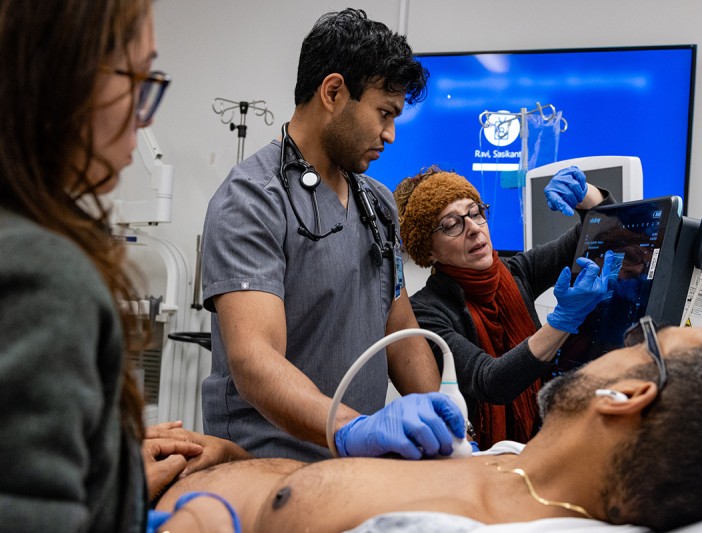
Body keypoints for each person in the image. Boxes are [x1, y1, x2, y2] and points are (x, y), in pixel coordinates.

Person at [153, 323, 702, 532]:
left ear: (628, 393)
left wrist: (201, 510)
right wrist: (226, 456)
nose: (621, 341)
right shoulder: (510, 460)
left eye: (643, 338)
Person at [0, 1, 238, 530]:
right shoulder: (42, 278)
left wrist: (107, 461)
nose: (146, 112)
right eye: (137, 77)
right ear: (63, 74)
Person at [200, 8, 451, 462]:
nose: (391, 135)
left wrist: (447, 421)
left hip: (354, 464)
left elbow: (400, 327)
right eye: (384, 113)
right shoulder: (252, 200)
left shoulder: (378, 203)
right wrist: (351, 429)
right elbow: (255, 360)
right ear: (333, 92)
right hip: (268, 466)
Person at [393, 166, 618, 449]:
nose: (474, 229)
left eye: (475, 213)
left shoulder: (517, 272)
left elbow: (600, 234)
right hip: (485, 462)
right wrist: (562, 320)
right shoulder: (426, 312)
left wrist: (588, 197)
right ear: (429, 251)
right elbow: (490, 381)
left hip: (548, 439)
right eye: (452, 225)